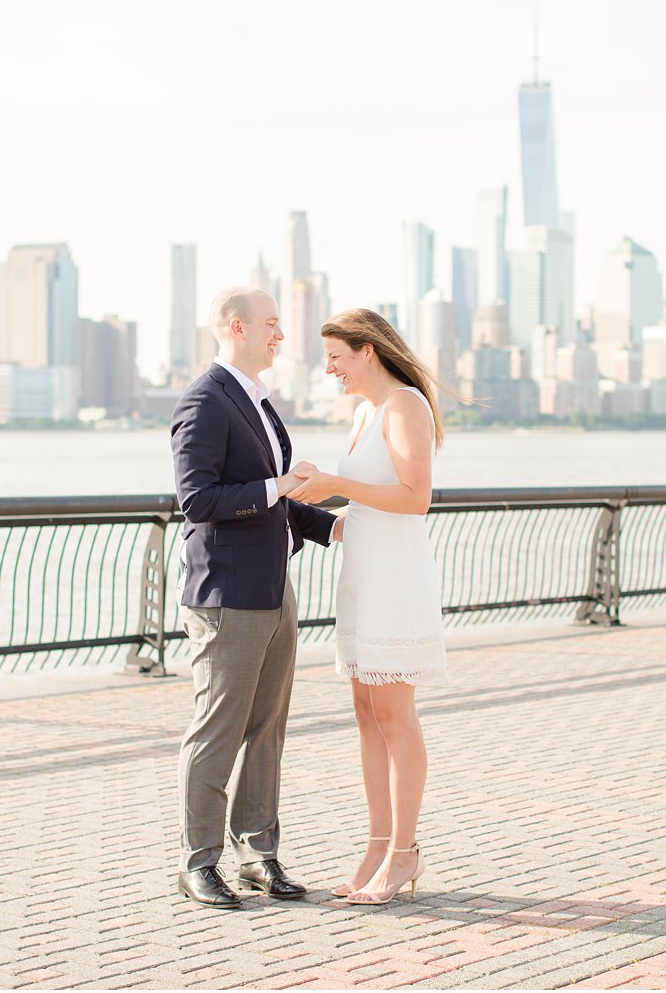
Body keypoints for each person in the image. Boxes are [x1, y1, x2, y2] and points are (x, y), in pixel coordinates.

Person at [169, 286, 342, 910]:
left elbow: (276, 497)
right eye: (271, 324)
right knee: (218, 729)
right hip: (226, 597)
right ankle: (198, 862)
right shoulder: (205, 402)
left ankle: (258, 853)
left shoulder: (259, 401)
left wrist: (331, 526)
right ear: (236, 327)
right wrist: (277, 486)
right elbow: (198, 501)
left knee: (267, 728)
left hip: (273, 588)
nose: (280, 334)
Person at [285, 307, 463, 905]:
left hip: (396, 577)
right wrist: (325, 494)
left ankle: (404, 853)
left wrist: (337, 483)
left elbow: (416, 500)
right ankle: (378, 841)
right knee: (366, 711)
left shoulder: (405, 404)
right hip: (362, 571)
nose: (330, 369)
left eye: (336, 357)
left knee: (394, 713)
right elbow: (369, 496)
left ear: (368, 351)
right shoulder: (364, 412)